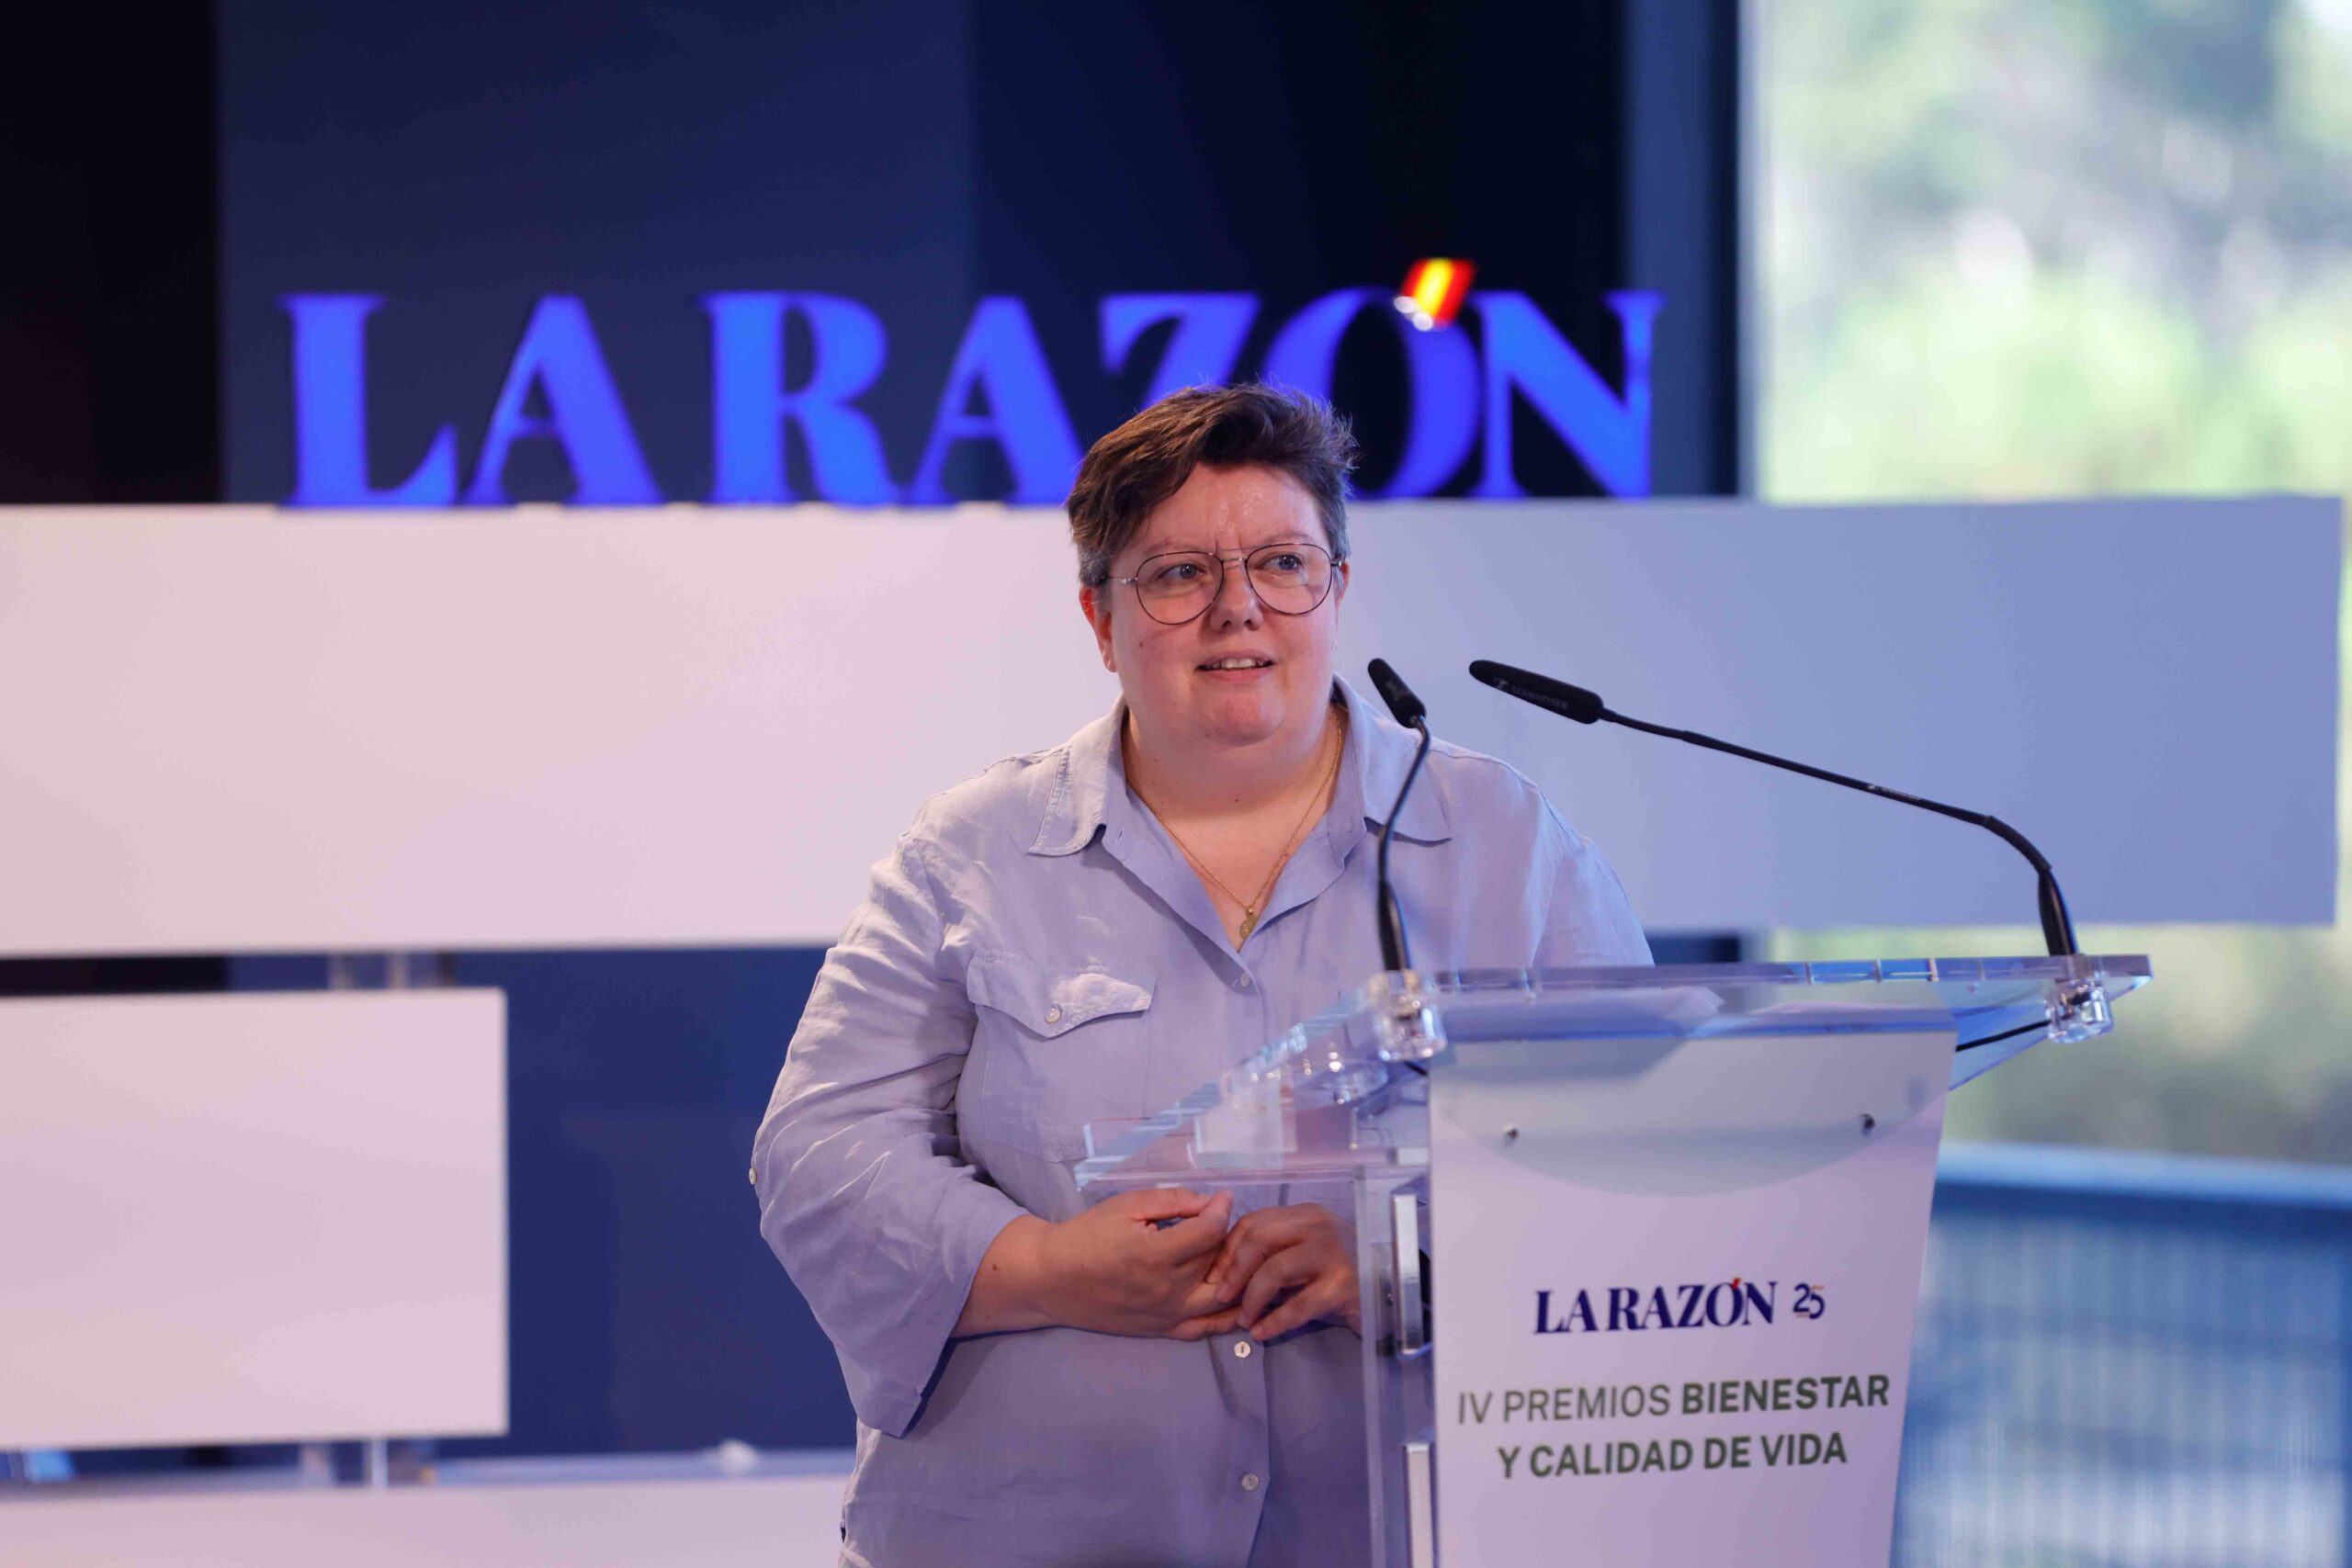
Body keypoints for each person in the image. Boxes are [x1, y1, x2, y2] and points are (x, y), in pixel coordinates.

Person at [752, 384, 1650, 1568]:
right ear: (1100, 618)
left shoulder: (1504, 844)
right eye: (1179, 574)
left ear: (1336, 586)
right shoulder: (970, 851)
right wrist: (1048, 1271)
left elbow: (1640, 1169)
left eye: (1282, 563)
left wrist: (1399, 1270)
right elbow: (819, 1153)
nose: (1239, 609)